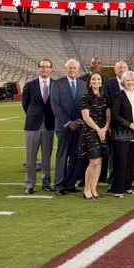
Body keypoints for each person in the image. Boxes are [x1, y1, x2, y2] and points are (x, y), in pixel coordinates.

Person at [51, 58, 86, 195]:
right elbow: (55, 104)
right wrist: (67, 122)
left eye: (75, 68)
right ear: (66, 69)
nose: (72, 70)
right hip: (63, 126)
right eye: (70, 68)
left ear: (78, 69)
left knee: (76, 156)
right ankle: (59, 185)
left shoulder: (83, 84)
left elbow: (85, 104)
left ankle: (70, 184)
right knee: (62, 155)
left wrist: (78, 120)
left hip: (78, 126)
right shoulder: (58, 84)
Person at [22, 59, 56, 194]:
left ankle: (46, 183)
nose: (45, 69)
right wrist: (34, 115)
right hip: (32, 125)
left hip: (49, 124)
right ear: (38, 68)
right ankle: (30, 184)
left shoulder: (55, 84)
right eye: (42, 67)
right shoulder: (30, 85)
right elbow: (25, 104)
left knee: (46, 157)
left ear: (51, 69)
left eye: (47, 67)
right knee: (30, 157)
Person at [111, 71, 134, 198]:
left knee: (131, 161)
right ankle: (117, 189)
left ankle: (127, 186)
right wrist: (130, 125)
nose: (130, 83)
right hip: (122, 134)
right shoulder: (118, 96)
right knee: (121, 161)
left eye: (132, 80)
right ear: (123, 82)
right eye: (128, 81)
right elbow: (115, 116)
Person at [80, 72, 110, 199]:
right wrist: (98, 129)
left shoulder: (105, 96)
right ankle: (86, 189)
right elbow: (86, 117)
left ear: (101, 82)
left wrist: (105, 128)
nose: (96, 81)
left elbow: (108, 115)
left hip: (103, 131)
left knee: (100, 161)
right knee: (93, 161)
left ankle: (94, 188)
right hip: (91, 131)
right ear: (90, 82)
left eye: (98, 79)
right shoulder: (85, 97)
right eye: (93, 79)